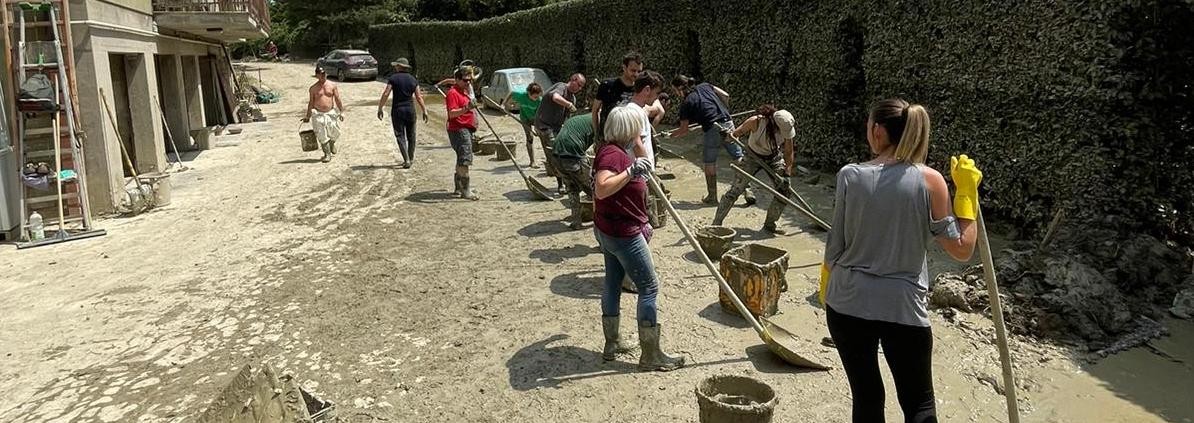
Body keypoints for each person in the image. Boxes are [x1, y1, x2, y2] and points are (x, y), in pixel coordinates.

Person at [821, 98, 981, 423]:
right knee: (918, 403)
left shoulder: (849, 175)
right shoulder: (930, 180)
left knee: (866, 396)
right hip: (903, 308)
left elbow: (834, 247)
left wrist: (827, 292)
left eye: (868, 126)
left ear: (878, 131)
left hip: (847, 302)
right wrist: (966, 194)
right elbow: (962, 249)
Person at [593, 105, 684, 372]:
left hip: (610, 230)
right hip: (624, 234)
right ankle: (651, 355)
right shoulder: (612, 155)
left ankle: (613, 343)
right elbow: (602, 188)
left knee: (612, 282)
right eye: (638, 128)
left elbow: (647, 168)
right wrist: (632, 171)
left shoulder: (617, 149)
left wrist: (638, 148)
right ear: (628, 129)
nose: (642, 133)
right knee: (649, 288)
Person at [711, 105, 797, 234]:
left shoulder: (786, 128)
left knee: (785, 191)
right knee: (735, 191)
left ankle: (770, 224)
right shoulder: (755, 122)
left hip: (773, 158)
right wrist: (727, 135)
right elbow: (735, 135)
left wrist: (787, 174)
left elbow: (789, 152)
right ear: (773, 122)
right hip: (752, 156)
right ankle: (716, 224)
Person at [669, 75, 746, 204]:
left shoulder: (686, 103)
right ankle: (746, 191)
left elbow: (684, 130)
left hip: (712, 128)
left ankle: (712, 197)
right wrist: (724, 111)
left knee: (709, 163)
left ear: (679, 88)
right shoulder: (705, 86)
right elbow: (726, 96)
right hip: (728, 123)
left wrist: (670, 136)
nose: (676, 94)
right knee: (738, 157)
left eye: (675, 91)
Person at [533, 73, 587, 193]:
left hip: (556, 127)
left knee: (562, 153)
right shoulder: (561, 87)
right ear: (573, 80)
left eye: (582, 87)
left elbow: (567, 120)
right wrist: (568, 104)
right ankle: (561, 184)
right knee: (555, 154)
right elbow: (555, 98)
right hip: (544, 125)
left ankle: (567, 182)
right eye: (579, 85)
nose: (580, 89)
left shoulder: (573, 98)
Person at [377, 58, 428, 169]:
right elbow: (419, 97)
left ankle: (406, 160)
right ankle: (411, 157)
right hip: (410, 110)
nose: (395, 67)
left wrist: (380, 108)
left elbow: (386, 93)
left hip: (397, 110)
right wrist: (424, 110)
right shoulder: (413, 79)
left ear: (399, 66)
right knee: (411, 135)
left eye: (396, 65)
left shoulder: (393, 78)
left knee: (400, 135)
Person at [552, 114, 596, 230]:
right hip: (572, 154)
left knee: (572, 188)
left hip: (556, 155)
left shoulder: (580, 119)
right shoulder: (599, 120)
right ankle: (604, 221)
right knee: (594, 189)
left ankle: (576, 221)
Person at [444, 68, 479, 201]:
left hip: (465, 129)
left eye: (470, 80)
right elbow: (452, 114)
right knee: (465, 159)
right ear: (457, 80)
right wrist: (467, 108)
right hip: (459, 129)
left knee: (461, 157)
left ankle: (459, 188)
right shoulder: (453, 93)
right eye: (465, 80)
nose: (468, 82)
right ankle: (466, 190)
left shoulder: (464, 91)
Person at [591, 52, 643, 140]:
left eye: (639, 71)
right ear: (624, 67)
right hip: (608, 137)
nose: (636, 74)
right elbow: (595, 110)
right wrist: (596, 134)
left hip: (629, 138)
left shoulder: (640, 89)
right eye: (633, 70)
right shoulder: (607, 85)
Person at [301, 66, 345, 163]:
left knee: (335, 132)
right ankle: (327, 154)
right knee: (321, 135)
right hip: (318, 114)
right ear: (317, 75)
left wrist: (341, 111)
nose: (323, 76)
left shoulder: (332, 85)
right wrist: (307, 116)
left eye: (324, 74)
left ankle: (331, 144)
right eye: (320, 74)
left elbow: (337, 99)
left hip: (330, 113)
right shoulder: (313, 88)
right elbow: (311, 103)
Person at [503, 82, 544, 168]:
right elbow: (511, 93)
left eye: (538, 96)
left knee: (543, 136)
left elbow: (540, 115)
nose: (536, 98)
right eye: (535, 97)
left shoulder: (540, 101)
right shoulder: (521, 95)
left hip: (535, 118)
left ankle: (549, 160)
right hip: (525, 118)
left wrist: (537, 127)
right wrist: (505, 104)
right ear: (529, 93)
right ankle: (532, 162)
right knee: (530, 137)